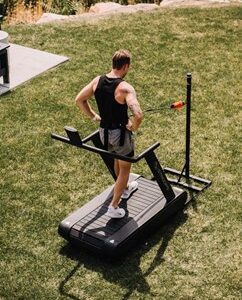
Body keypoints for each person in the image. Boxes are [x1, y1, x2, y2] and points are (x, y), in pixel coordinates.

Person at [75, 49, 143, 218]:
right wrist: (133, 127)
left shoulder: (97, 81)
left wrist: (94, 116)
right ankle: (113, 206)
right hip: (119, 135)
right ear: (126, 66)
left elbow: (79, 100)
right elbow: (138, 114)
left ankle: (125, 189)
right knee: (126, 167)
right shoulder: (125, 88)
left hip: (103, 133)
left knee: (116, 160)